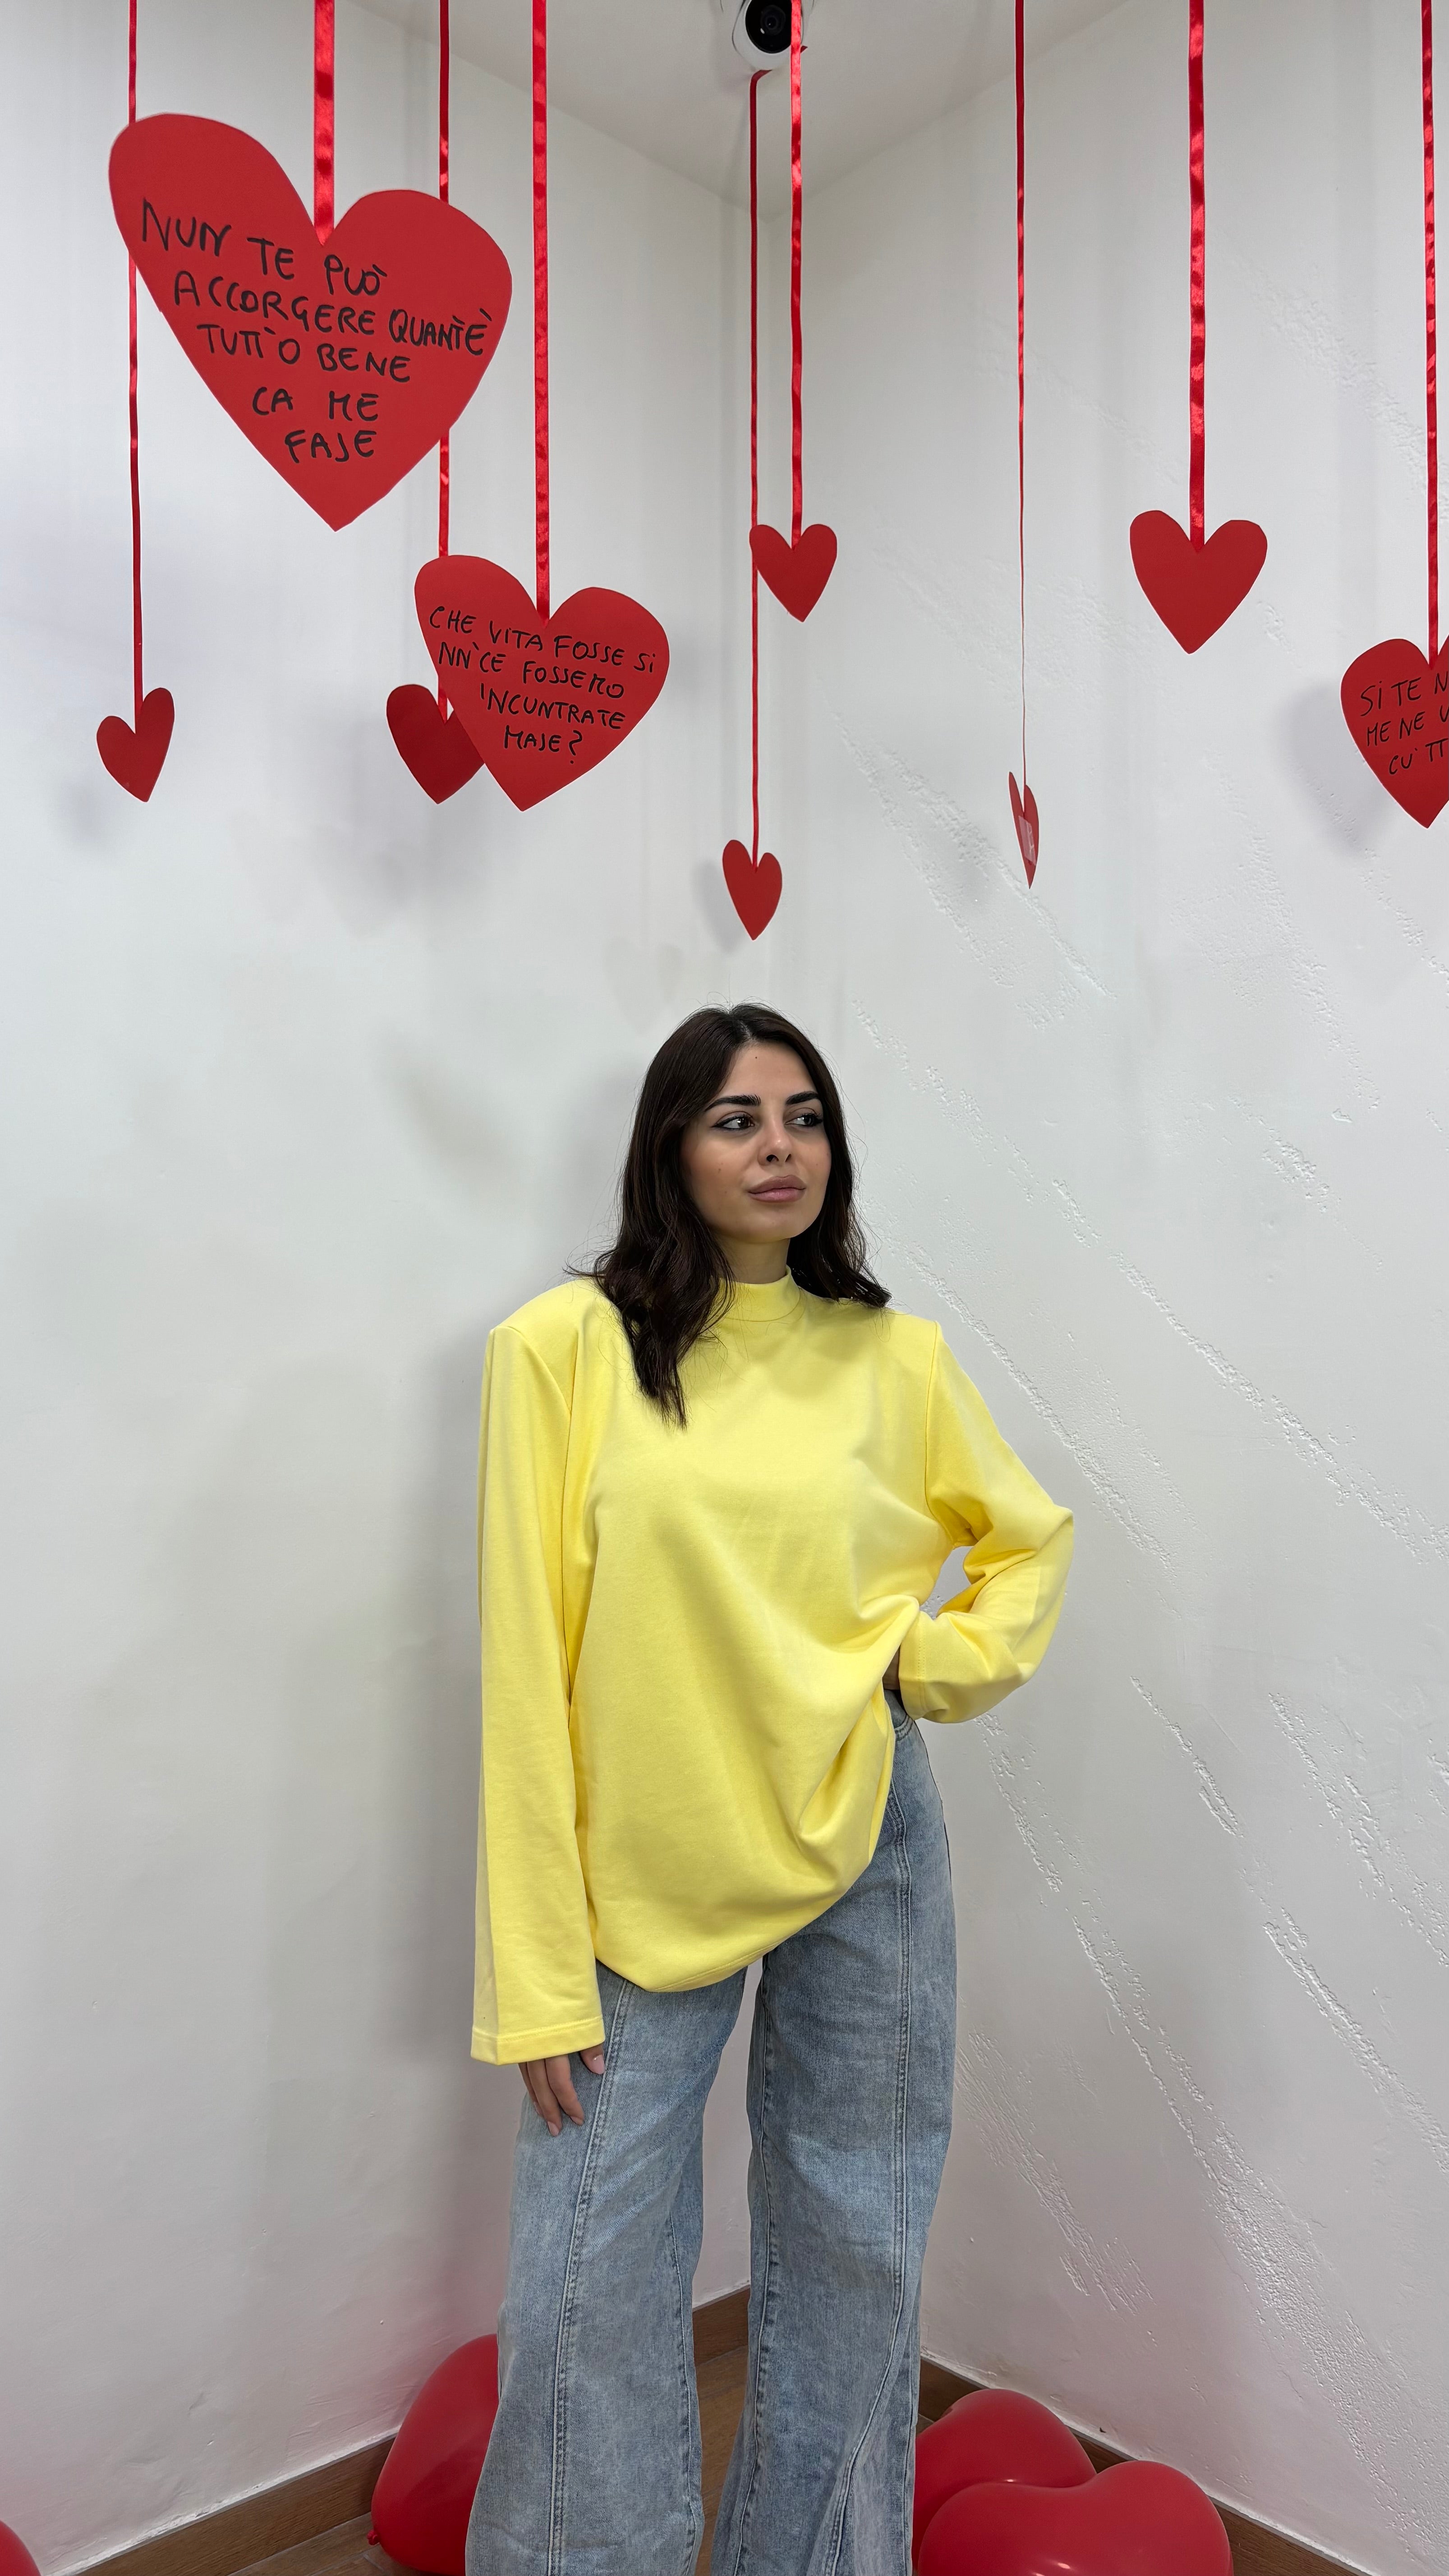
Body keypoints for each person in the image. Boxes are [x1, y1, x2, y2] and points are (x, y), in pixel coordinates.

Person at [466, 1003, 1072, 2576]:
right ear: (670, 1146)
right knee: (586, 2280)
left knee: (856, 2247)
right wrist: (537, 1973)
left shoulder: (893, 1357)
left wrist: (923, 1664)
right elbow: (526, 1672)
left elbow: (1029, 1542)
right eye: (737, 1118)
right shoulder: (562, 1350)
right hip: (642, 1872)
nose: (779, 1147)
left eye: (805, 1116)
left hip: (865, 1836)